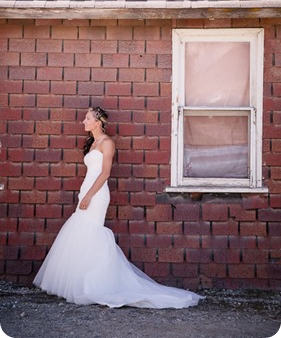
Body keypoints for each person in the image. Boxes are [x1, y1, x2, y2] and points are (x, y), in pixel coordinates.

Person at [33, 106, 204, 308]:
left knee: (91, 231)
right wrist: (84, 193)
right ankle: (80, 284)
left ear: (98, 122)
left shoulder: (107, 143)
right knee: (81, 232)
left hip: (96, 195)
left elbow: (105, 173)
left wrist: (88, 195)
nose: (83, 122)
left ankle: (97, 284)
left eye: (87, 118)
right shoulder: (92, 143)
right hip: (86, 192)